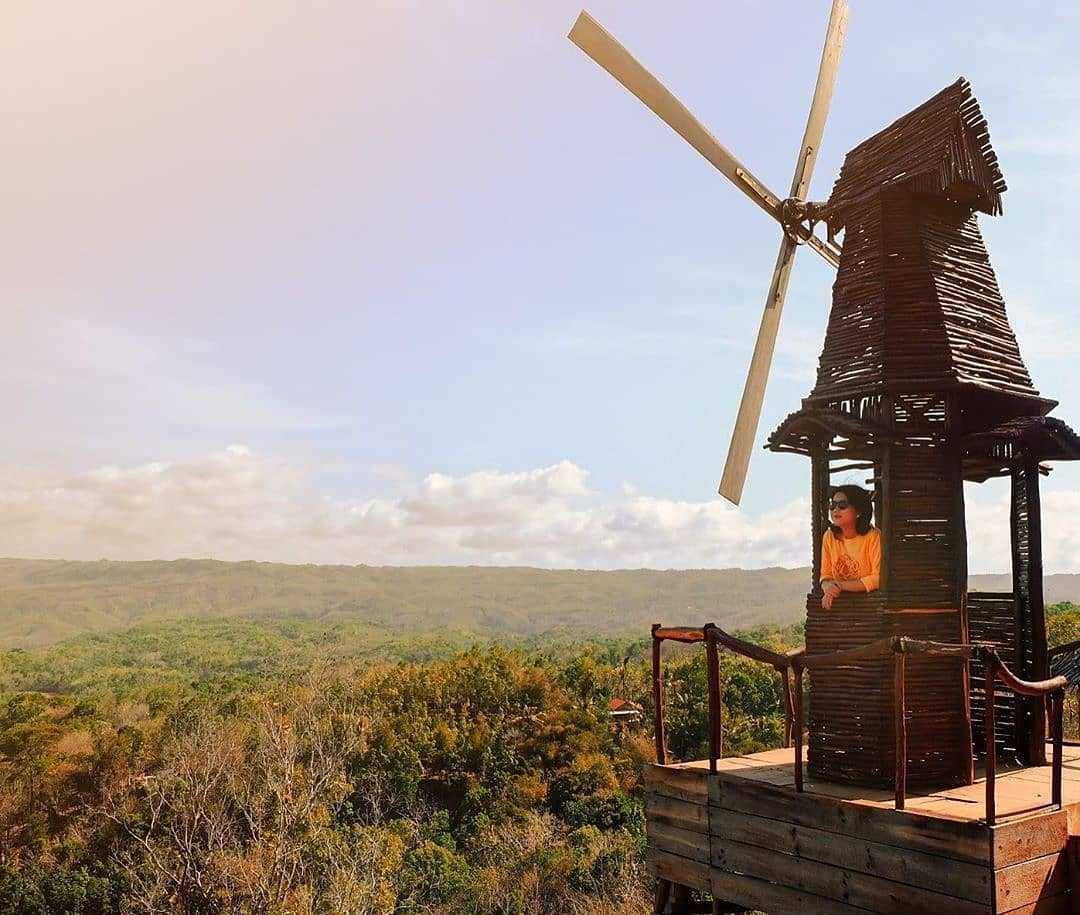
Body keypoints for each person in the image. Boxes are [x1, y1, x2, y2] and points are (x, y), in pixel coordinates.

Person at [820, 484, 881, 609]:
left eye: (842, 505)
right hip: (840, 608)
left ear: (858, 511)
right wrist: (827, 588)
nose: (835, 510)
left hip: (870, 607)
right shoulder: (829, 536)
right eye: (832, 505)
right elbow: (825, 575)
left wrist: (840, 585)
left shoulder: (873, 537)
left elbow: (877, 578)